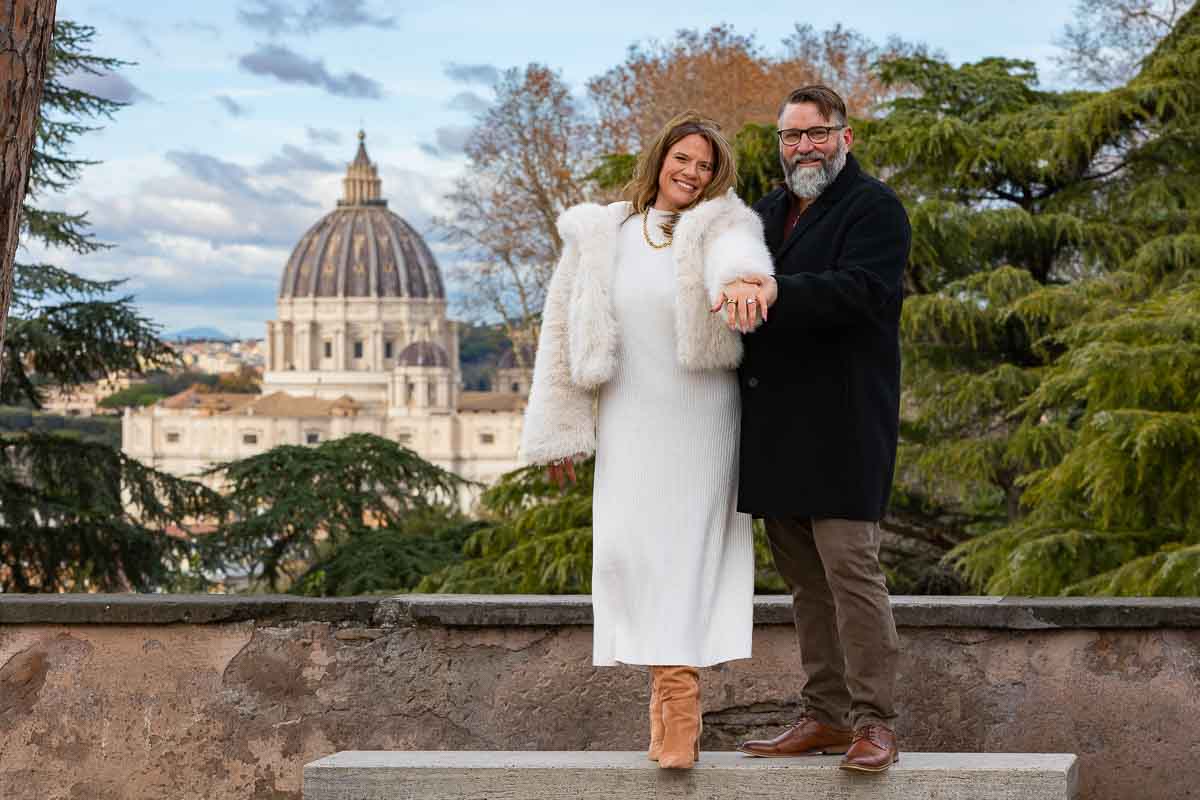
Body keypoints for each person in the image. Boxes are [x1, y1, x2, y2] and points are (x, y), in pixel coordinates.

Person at [520, 111, 773, 770]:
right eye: (683, 158)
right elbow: (559, 336)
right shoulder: (599, 233)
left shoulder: (722, 226)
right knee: (632, 554)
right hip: (629, 419)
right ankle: (670, 704)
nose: (692, 172)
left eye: (706, 165)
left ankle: (677, 710)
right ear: (660, 158)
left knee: (687, 555)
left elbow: (738, 262)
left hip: (701, 415)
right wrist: (561, 435)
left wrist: (746, 281)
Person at [714, 85, 911, 772]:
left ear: (844, 137)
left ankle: (875, 723)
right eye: (792, 136)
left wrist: (774, 292)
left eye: (817, 133)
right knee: (804, 586)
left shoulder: (876, 208)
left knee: (853, 575)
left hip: (845, 427)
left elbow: (865, 292)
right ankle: (825, 716)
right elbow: (724, 275)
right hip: (775, 430)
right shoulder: (762, 214)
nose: (804, 147)